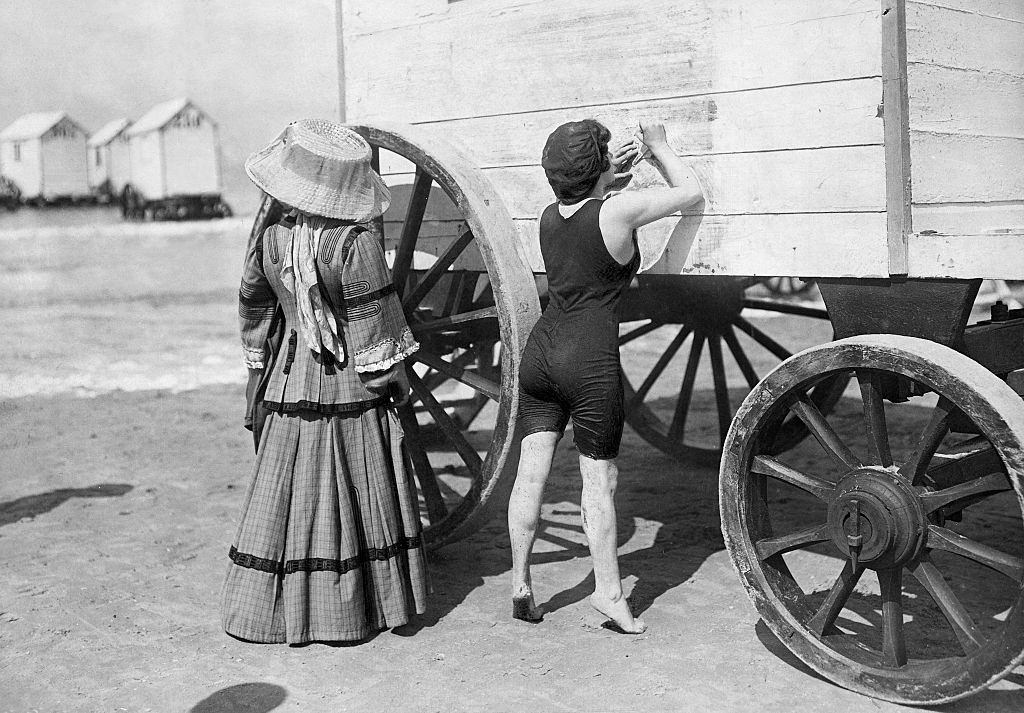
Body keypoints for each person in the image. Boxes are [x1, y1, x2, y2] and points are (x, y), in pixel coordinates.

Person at [222, 119, 427, 644]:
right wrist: (393, 374)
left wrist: (254, 372)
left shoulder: (271, 240)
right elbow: (370, 317)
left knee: (289, 491)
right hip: (346, 384)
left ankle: (278, 609)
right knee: (357, 484)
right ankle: (352, 609)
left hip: (289, 379)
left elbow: (253, 305)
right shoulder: (353, 243)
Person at [508, 120, 703, 633]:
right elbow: (691, 193)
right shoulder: (619, 211)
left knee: (531, 473)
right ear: (597, 171)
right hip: (589, 360)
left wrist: (605, 177)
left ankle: (521, 586)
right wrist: (660, 146)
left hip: (542, 352)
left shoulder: (549, 216)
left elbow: (586, 220)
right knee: (599, 481)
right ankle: (610, 594)